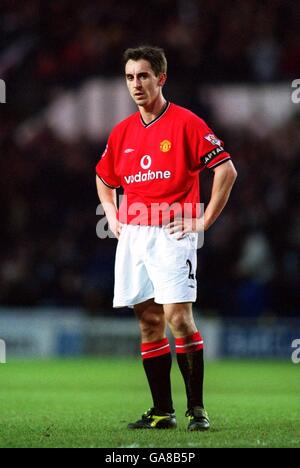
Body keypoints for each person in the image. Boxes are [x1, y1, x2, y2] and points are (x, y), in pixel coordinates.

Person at [96, 46, 237, 431]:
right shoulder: (121, 131)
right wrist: (111, 213)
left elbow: (226, 171)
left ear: (161, 78)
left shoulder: (187, 123)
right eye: (129, 77)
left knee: (178, 317)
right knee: (148, 322)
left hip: (173, 231)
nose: (135, 84)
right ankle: (162, 411)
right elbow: (104, 179)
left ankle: (197, 409)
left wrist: (204, 220)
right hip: (134, 234)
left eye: (143, 76)